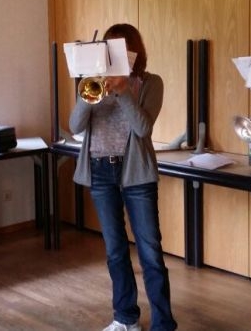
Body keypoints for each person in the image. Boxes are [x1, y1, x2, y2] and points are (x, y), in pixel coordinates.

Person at [69, 24, 177, 331]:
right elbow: (75, 126)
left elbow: (143, 128)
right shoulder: (94, 82)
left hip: (136, 173)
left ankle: (163, 324)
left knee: (150, 251)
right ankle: (125, 318)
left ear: (134, 52)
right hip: (100, 170)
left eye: (122, 48)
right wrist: (87, 90)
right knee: (115, 250)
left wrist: (123, 91)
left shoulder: (150, 83)